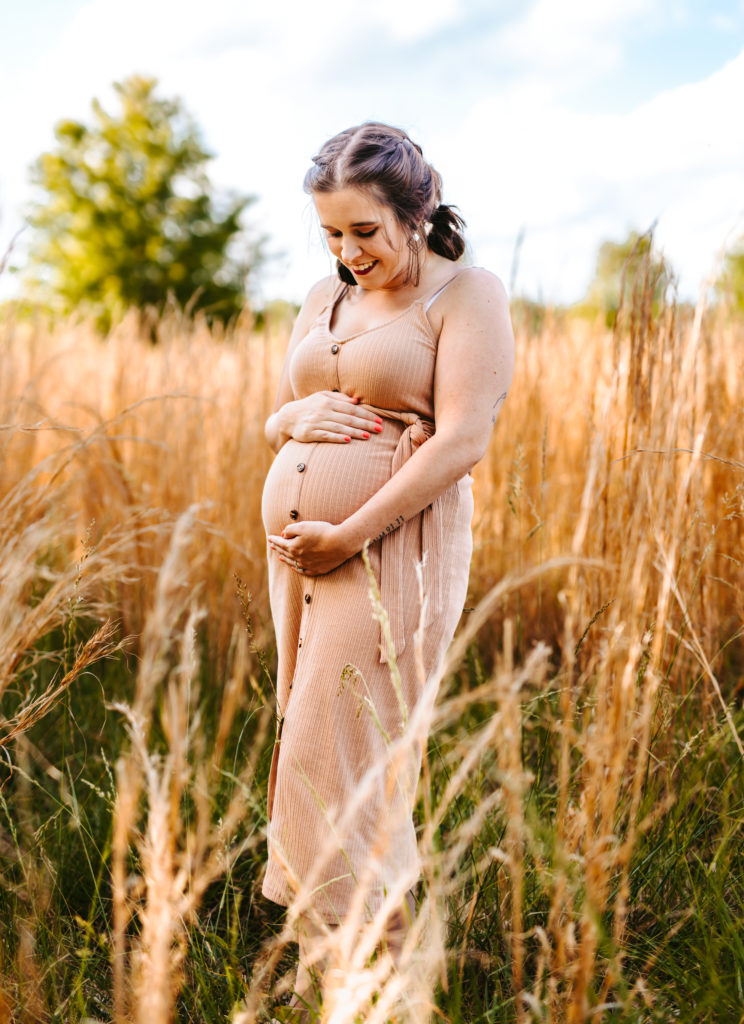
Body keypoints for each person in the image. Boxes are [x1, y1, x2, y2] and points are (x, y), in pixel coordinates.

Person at [261, 121, 514, 1015]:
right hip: (300, 560)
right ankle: (362, 959)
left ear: (417, 211)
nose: (347, 252)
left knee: (344, 746)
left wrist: (348, 534)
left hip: (391, 550)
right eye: (330, 233)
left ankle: (368, 967)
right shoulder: (320, 296)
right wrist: (285, 429)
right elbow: (285, 413)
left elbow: (462, 442)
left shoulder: (464, 295)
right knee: (303, 737)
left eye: (365, 231)